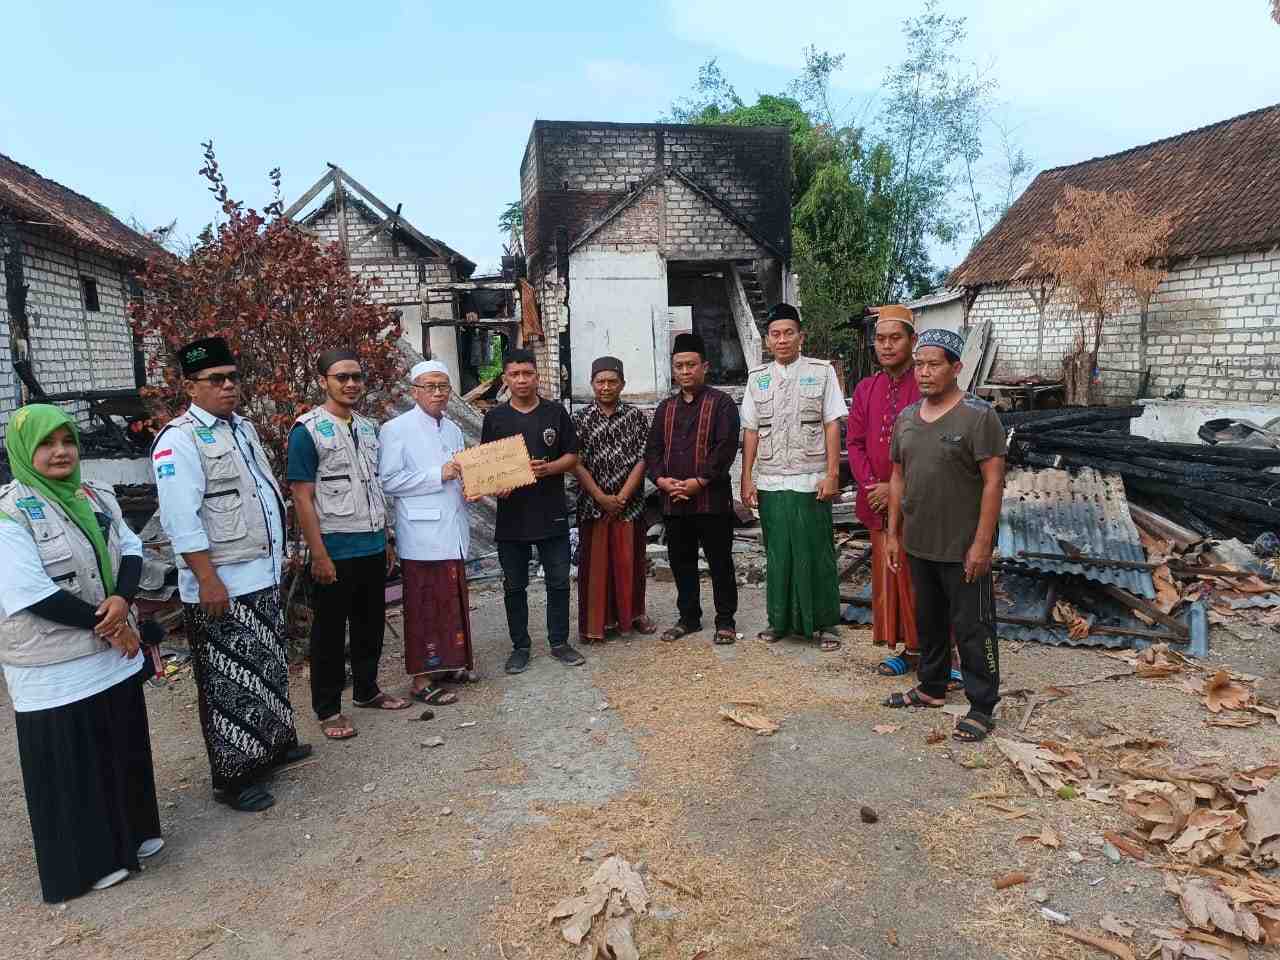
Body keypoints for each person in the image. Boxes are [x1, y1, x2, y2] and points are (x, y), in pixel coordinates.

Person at [0, 404, 163, 902]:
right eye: (47, 444)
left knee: (121, 746)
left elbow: (131, 550)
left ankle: (131, 838)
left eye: (67, 441)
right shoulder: (9, 511)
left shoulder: (93, 495)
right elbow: (30, 595)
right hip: (54, 662)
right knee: (72, 764)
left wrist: (122, 600)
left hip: (108, 655)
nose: (60, 452)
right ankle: (86, 863)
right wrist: (115, 628)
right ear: (25, 451)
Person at [153, 336, 309, 813]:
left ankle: (274, 744)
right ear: (190, 386)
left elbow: (260, 497)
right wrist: (206, 580)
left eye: (232, 378)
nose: (227, 387)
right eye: (215, 380)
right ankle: (234, 776)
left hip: (258, 572)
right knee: (227, 682)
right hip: (220, 582)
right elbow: (181, 518)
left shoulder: (241, 429)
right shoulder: (177, 440)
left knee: (266, 667)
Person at [883, 328, 1007, 743]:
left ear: (956, 368)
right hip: (920, 541)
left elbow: (993, 482)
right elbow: (897, 478)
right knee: (929, 621)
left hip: (962, 546)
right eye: (919, 364)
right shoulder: (906, 419)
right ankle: (932, 687)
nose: (924, 372)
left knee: (972, 626)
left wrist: (982, 543)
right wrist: (893, 534)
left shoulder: (978, 417)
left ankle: (982, 704)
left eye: (933, 364)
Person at [287, 349, 410, 742]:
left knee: (370, 623)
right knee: (328, 631)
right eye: (342, 377)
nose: (351, 383)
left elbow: (374, 486)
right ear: (324, 380)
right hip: (335, 550)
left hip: (372, 543)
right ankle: (328, 708)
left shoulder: (368, 427)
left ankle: (367, 690)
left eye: (356, 376)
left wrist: (387, 537)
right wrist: (318, 553)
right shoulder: (307, 430)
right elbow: (302, 497)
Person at [847, 307, 964, 687]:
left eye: (895, 338)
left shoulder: (929, 387)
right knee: (893, 583)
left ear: (913, 342)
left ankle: (946, 656)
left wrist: (894, 489)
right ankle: (909, 651)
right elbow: (856, 443)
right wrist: (872, 487)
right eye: (880, 339)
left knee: (927, 584)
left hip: (922, 506)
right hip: (879, 507)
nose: (886, 346)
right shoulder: (866, 389)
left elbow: (936, 450)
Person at [740, 303, 844, 651]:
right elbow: (751, 431)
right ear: (767, 341)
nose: (782, 340)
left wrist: (832, 474)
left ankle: (826, 623)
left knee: (817, 552)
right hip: (771, 481)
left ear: (801, 336)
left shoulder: (822, 372)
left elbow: (832, 423)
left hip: (810, 479)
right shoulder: (758, 378)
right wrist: (746, 477)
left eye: (789, 333)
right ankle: (779, 621)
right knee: (778, 553)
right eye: (775, 334)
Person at [481, 349, 584, 675]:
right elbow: (486, 466)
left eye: (527, 373)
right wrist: (498, 483)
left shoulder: (555, 413)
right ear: (505, 379)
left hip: (551, 512)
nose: (522, 380)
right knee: (514, 585)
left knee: (558, 582)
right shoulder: (495, 418)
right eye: (515, 374)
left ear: (537, 376)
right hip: (512, 517)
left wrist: (548, 468)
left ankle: (559, 642)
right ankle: (520, 647)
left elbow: (573, 457)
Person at [379, 360, 475, 702]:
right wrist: (439, 474)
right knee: (426, 607)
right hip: (422, 534)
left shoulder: (452, 429)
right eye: (430, 386)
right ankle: (422, 680)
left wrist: (476, 483)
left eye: (443, 386)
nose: (438, 393)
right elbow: (388, 481)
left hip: (453, 527)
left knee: (451, 600)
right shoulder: (396, 429)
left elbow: (460, 472)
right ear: (414, 391)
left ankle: (450, 664)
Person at [644, 332, 740, 645]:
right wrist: (661, 480)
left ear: (705, 366)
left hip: (711, 501)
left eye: (691, 365)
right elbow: (653, 451)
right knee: (681, 562)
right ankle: (689, 618)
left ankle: (725, 620)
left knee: (720, 561)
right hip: (673, 503)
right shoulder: (665, 408)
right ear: (673, 369)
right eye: (679, 366)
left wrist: (698, 482)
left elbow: (725, 449)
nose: (685, 371)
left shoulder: (722, 404)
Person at [572, 356, 656, 644]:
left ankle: (633, 616)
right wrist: (599, 496)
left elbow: (643, 459)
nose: (606, 386)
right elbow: (575, 462)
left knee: (629, 562)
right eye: (600, 381)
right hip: (592, 505)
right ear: (592, 384)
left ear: (622, 384)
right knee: (595, 567)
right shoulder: (580, 418)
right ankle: (596, 623)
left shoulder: (635, 417)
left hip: (628, 506)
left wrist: (621, 497)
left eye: (612, 381)